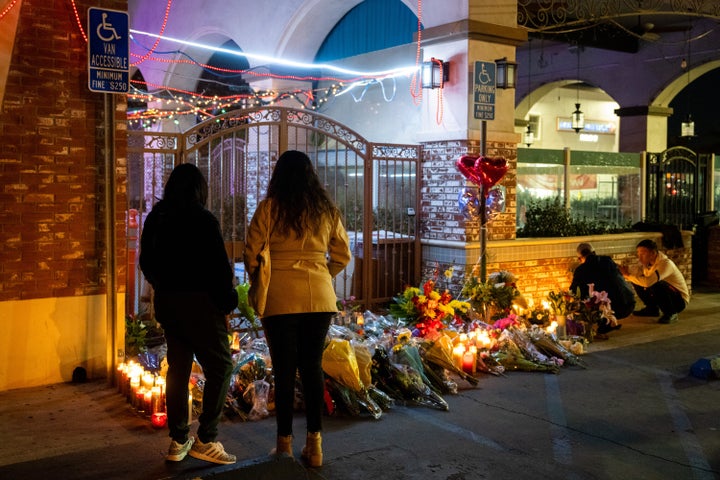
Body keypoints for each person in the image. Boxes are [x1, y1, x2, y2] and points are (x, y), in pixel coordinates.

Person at [244, 150, 351, 468]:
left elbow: (251, 254)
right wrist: (321, 273)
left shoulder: (269, 209)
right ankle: (315, 446)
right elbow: (342, 255)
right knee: (312, 367)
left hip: (279, 299)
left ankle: (285, 447)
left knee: (285, 369)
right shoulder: (326, 210)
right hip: (319, 298)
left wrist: (260, 277)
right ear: (310, 176)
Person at [139, 163, 238, 465]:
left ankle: (178, 439)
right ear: (199, 190)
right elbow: (220, 271)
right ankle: (206, 438)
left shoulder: (158, 217)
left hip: (169, 304)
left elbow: (146, 260)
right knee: (221, 366)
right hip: (200, 305)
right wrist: (227, 303)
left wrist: (163, 285)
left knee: (179, 369)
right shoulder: (203, 220)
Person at [619, 239, 689, 324]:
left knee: (655, 283)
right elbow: (635, 277)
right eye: (638, 254)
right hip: (668, 295)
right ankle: (652, 309)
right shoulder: (646, 263)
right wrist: (624, 272)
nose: (639, 257)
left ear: (653, 253)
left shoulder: (665, 264)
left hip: (679, 301)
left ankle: (671, 313)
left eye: (643, 254)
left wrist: (627, 275)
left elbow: (648, 282)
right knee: (637, 281)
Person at [570, 242, 636, 334]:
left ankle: (605, 323)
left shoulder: (581, 270)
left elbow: (573, 292)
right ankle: (610, 322)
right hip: (629, 304)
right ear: (594, 252)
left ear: (579, 259)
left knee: (585, 296)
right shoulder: (608, 260)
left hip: (614, 309)